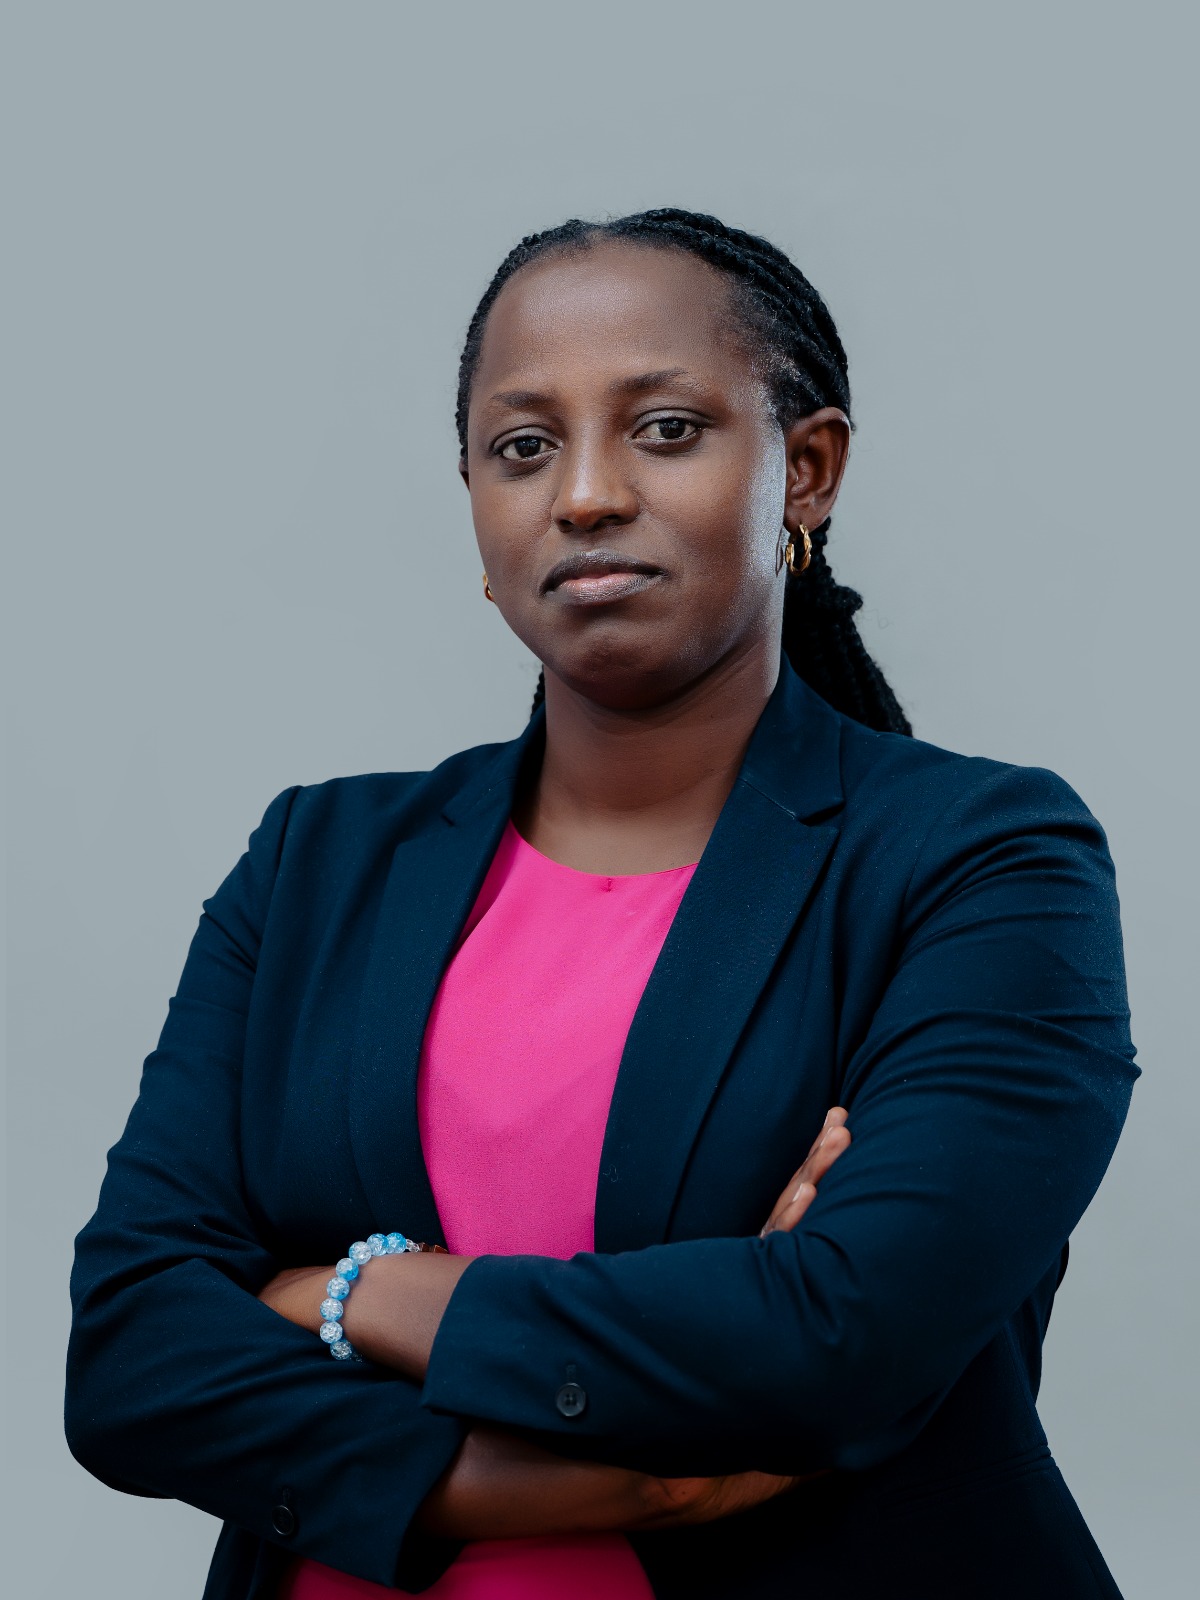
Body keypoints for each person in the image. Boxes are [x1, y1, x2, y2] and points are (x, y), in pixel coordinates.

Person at [66, 208, 1138, 1600]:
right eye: (523, 447)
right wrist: (618, 1479)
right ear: (475, 498)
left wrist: (342, 1291)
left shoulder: (982, 861)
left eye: (667, 430)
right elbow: (130, 1353)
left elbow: (839, 1338)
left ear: (807, 471)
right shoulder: (317, 862)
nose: (583, 496)